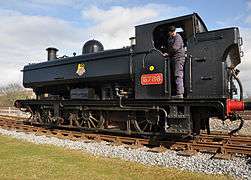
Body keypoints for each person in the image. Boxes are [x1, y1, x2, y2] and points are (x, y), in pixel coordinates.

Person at [163, 26, 185, 99]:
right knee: (173, 75)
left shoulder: (178, 37)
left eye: (173, 32)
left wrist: (167, 53)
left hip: (179, 58)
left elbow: (175, 48)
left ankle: (180, 93)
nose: (172, 33)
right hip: (173, 58)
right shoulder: (170, 38)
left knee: (178, 74)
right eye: (170, 32)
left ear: (174, 31)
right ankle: (174, 91)